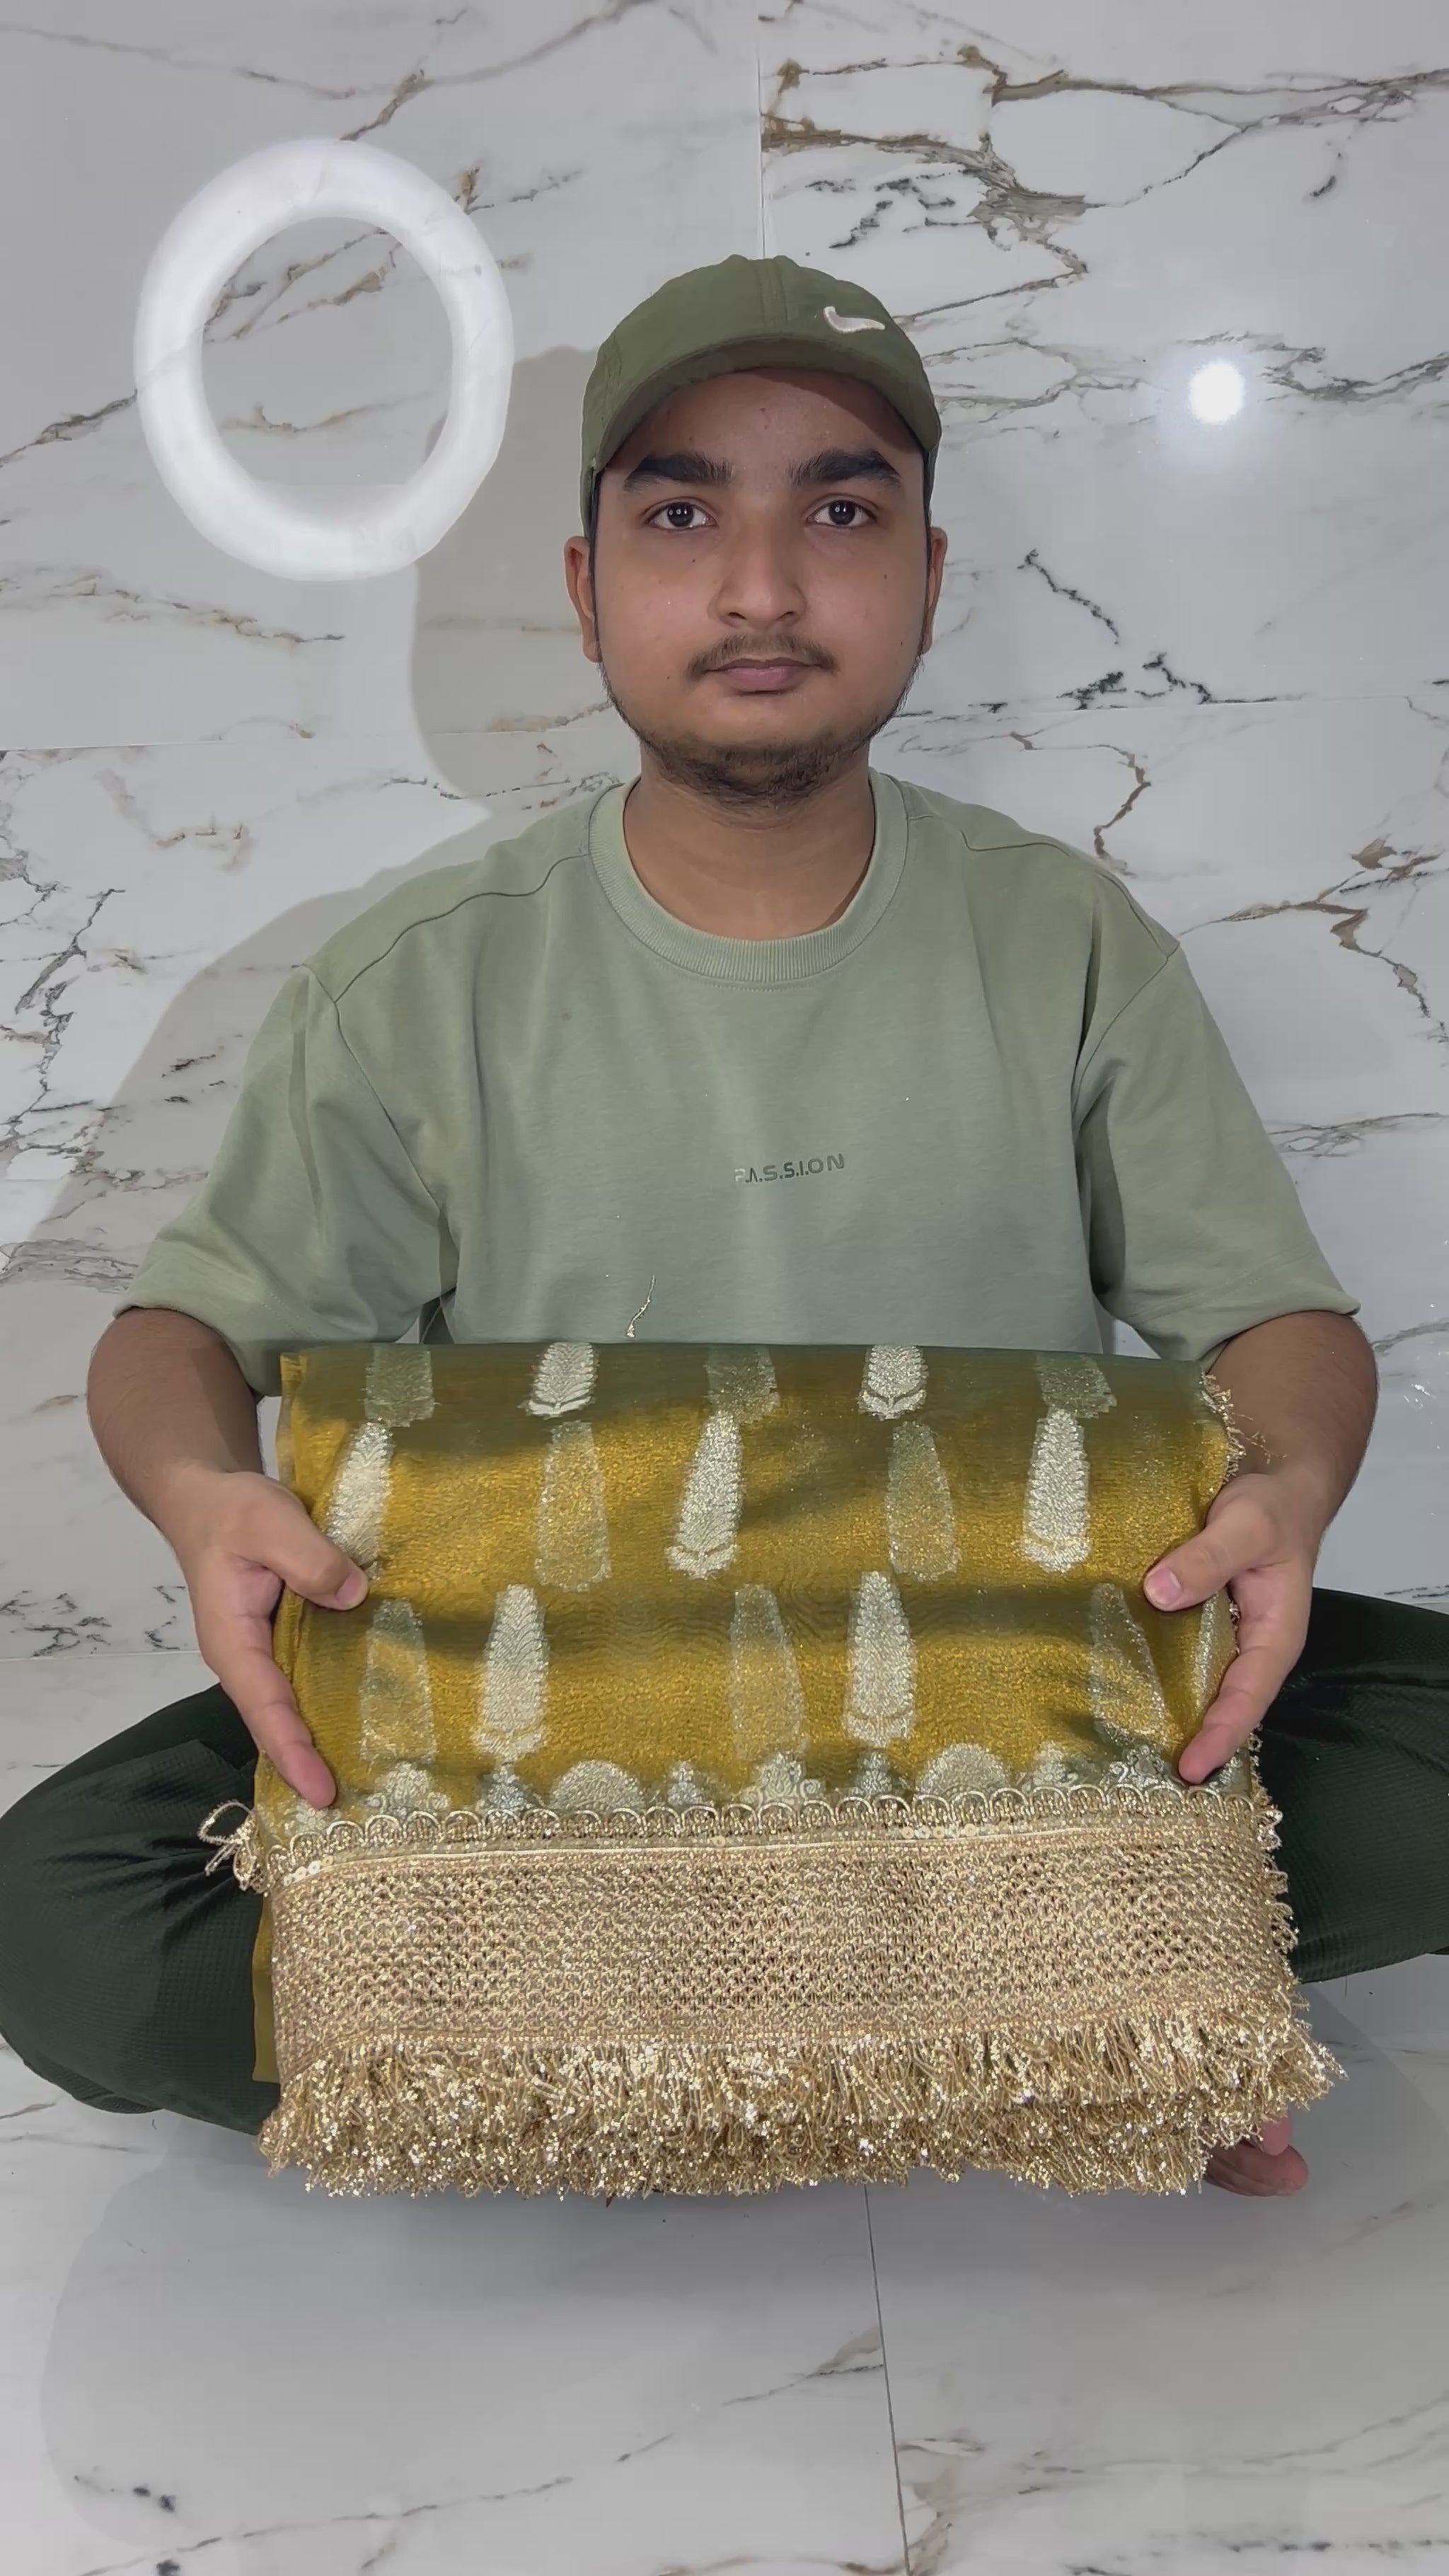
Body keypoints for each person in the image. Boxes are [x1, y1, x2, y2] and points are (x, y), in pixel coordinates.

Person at [1, 255, 1443, 2198]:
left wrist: (1286, 1490)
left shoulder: (1063, 939)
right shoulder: (422, 981)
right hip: (545, 1749)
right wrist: (205, 1500)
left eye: (839, 513)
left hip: (1016, 1717)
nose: (762, 587)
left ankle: (852, 2015)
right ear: (587, 586)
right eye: (683, 517)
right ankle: (1005, 2022)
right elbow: (176, 1336)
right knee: (61, 1916)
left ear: (928, 573)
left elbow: (1275, 1320)